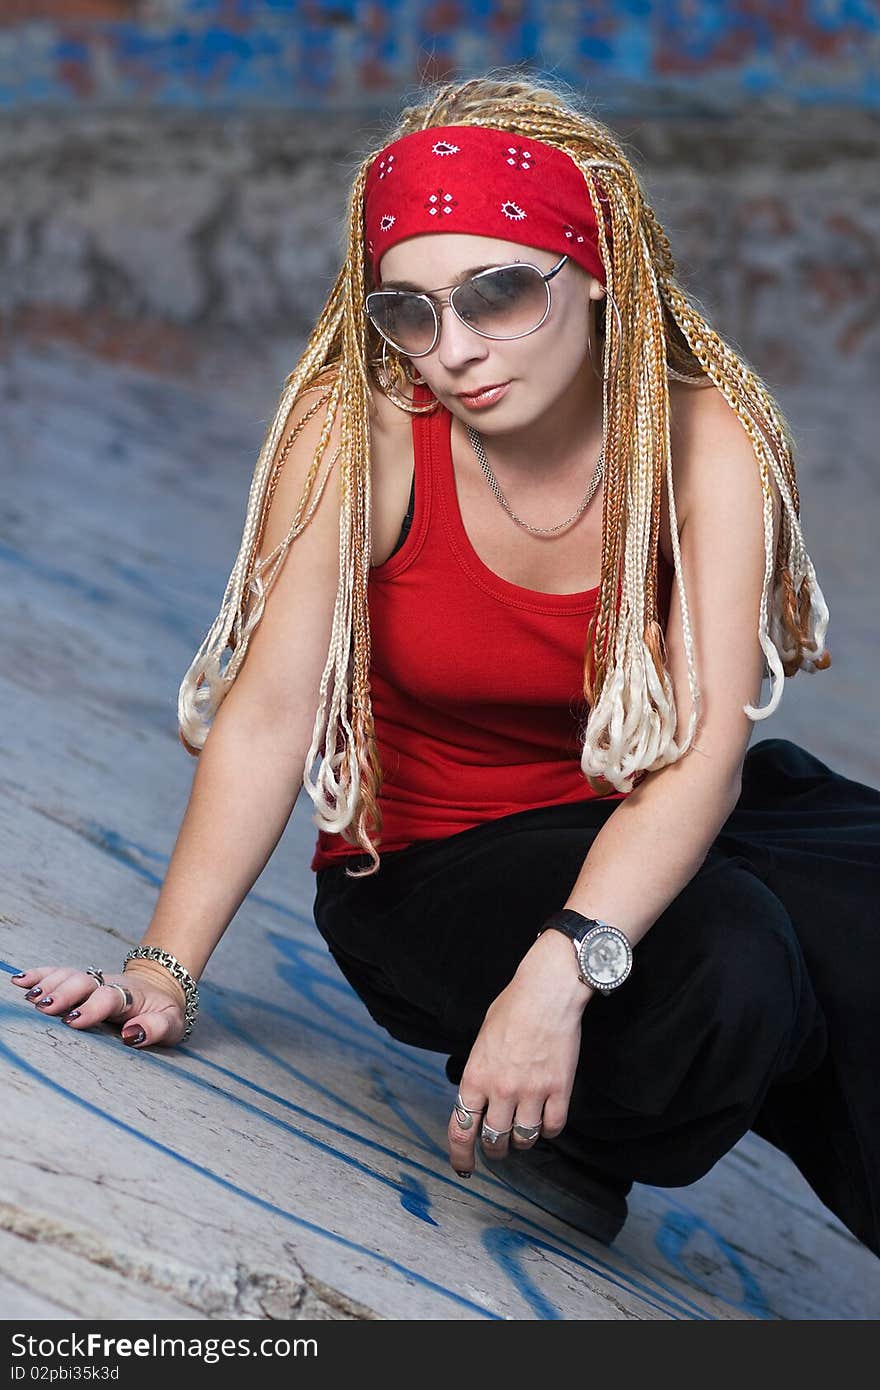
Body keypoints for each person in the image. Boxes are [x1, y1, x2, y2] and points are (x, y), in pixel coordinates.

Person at [12, 73, 878, 1257]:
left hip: (646, 812)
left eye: (498, 292)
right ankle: (568, 1130)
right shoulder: (358, 431)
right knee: (729, 961)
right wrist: (161, 971)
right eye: (409, 312)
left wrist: (564, 965)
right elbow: (270, 720)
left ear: (597, 270)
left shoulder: (701, 434)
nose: (452, 351)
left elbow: (701, 757)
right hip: (436, 859)